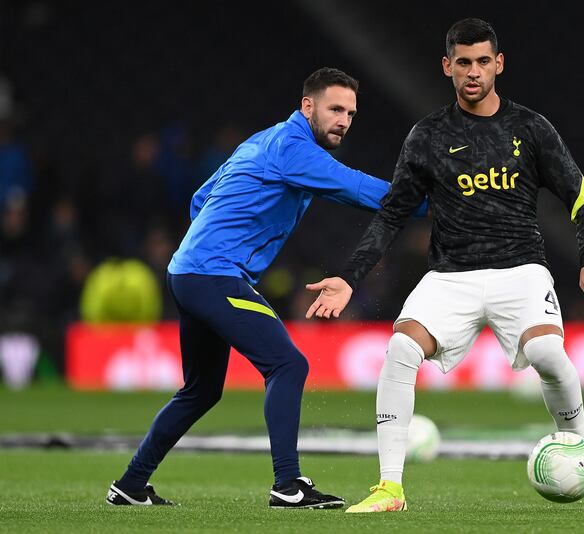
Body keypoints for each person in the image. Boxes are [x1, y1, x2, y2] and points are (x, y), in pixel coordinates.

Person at [305, 19, 584, 512]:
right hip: (451, 275)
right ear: (447, 67)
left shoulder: (531, 129)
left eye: (482, 61)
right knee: (400, 349)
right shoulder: (428, 136)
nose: (472, 72)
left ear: (498, 64)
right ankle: (390, 488)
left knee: (550, 357)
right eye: (463, 62)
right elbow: (392, 212)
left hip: (521, 271)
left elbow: (581, 197)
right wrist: (349, 278)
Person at [105, 67, 425, 509]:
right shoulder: (294, 149)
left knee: (200, 390)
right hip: (214, 276)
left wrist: (216, 239)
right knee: (287, 365)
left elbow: (201, 196)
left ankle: (130, 484)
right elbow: (357, 189)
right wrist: (435, 203)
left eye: (351, 112)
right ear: (307, 106)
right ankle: (287, 484)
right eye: (335, 109)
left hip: (191, 272)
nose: (344, 120)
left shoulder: (263, 141)